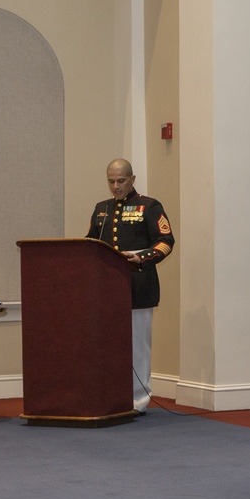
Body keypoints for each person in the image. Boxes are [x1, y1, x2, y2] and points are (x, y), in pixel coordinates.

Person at [86, 158, 175, 415]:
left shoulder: (149, 206)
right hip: (106, 287)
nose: (116, 187)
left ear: (132, 179)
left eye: (121, 181)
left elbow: (165, 241)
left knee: (137, 345)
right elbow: (91, 243)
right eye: (111, 181)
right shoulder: (101, 208)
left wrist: (143, 258)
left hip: (138, 283)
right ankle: (111, 396)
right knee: (107, 344)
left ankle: (137, 400)